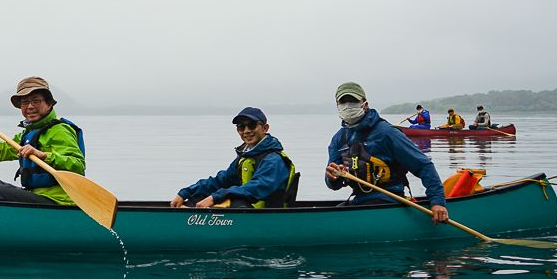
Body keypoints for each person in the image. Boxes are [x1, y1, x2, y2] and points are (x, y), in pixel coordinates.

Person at [325, 82, 449, 223]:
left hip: (390, 200)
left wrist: (437, 201)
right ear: (337, 106)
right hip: (359, 201)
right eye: (343, 102)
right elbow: (333, 184)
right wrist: (332, 177)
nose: (348, 106)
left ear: (364, 104)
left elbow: (423, 166)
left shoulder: (387, 133)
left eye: (353, 101)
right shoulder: (338, 139)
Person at [0, 76, 85, 205]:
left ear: (49, 104)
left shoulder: (60, 130)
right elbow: (0, 152)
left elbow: (78, 165)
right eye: (25, 102)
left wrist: (44, 155)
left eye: (36, 101)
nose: (30, 106)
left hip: (59, 200)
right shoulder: (27, 134)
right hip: (36, 195)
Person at [169, 107, 298, 209]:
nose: (246, 131)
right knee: (202, 196)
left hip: (263, 217)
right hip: (247, 211)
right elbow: (220, 181)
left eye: (252, 125)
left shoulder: (274, 160)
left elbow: (256, 188)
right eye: (241, 127)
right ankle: (186, 214)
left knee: (232, 200)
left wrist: (216, 197)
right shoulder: (246, 157)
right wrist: (185, 192)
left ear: (265, 128)